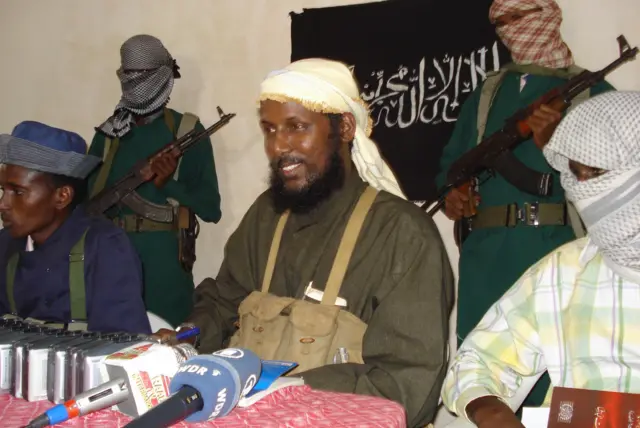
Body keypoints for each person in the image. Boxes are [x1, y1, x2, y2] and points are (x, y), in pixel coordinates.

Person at [155, 58, 454, 427]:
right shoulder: (266, 215)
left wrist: (287, 391)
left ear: (343, 127)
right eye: (269, 129)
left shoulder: (402, 233)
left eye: (297, 127)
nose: (278, 146)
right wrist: (186, 341)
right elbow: (223, 301)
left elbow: (408, 386)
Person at [436, 0, 614, 408]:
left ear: (547, 15)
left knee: (562, 372)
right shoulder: (489, 92)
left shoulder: (590, 92)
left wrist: (553, 143)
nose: (511, 29)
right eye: (502, 21)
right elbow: (452, 165)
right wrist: (455, 196)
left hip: (555, 249)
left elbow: (615, 181)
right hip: (485, 258)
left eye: (521, 17)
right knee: (480, 373)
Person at [441, 90, 640, 428]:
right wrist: (492, 412)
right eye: (576, 174)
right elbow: (477, 362)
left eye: (598, 172)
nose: (584, 190)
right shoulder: (566, 270)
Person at [87, 34, 222, 328]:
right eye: (130, 75)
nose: (135, 84)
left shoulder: (188, 130)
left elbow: (211, 210)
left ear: (164, 75)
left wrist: (168, 183)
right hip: (112, 270)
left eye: (143, 76)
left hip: (167, 277)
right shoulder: (109, 135)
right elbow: (86, 208)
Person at [0, 121, 150, 334]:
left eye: (18, 192)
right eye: (3, 190)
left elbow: (122, 349)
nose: (3, 204)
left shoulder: (105, 248)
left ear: (62, 196)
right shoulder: (5, 246)